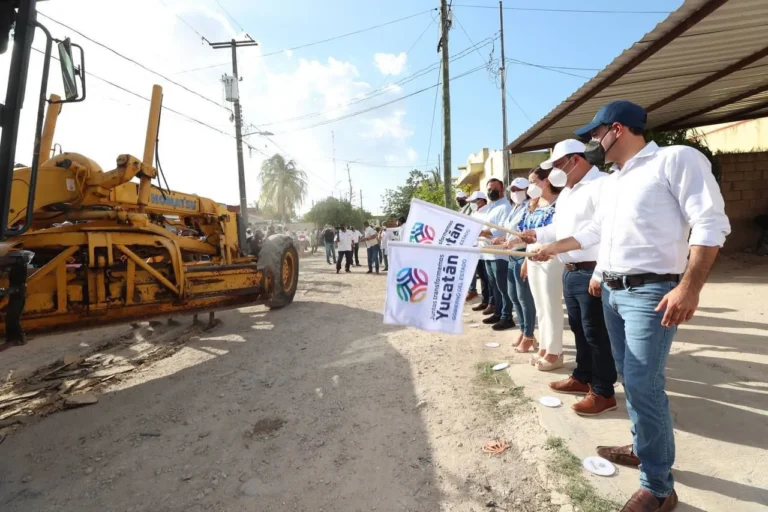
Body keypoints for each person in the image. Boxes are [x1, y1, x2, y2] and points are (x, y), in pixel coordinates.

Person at [535, 100, 730, 511]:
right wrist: (552, 248)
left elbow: (710, 222)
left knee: (643, 385)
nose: (592, 142)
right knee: (630, 379)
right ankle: (644, 446)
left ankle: (658, 488)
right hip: (611, 292)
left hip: (650, 294)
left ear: (617, 129)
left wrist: (690, 288)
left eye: (594, 134)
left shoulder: (675, 160)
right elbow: (594, 230)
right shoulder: (617, 179)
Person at [522, 139, 617, 416]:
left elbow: (602, 232)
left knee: (596, 334)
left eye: (558, 165)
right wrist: (537, 235)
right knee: (578, 330)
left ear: (576, 160)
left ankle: (603, 391)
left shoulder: (602, 185)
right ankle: (582, 376)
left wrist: (599, 272)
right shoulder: (567, 192)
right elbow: (559, 228)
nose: (554, 173)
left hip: (592, 269)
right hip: (571, 271)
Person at [517, 167, 563, 369]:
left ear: (546, 181)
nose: (530, 186)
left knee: (552, 305)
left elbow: (560, 232)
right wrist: (526, 260)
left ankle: (555, 352)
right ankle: (544, 347)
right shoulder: (533, 204)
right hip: (533, 257)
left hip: (552, 257)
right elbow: (529, 237)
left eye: (534, 181)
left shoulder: (560, 202)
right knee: (540, 305)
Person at [494, 178, 537, 348]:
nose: (515, 192)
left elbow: (528, 235)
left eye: (518, 189)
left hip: (522, 254)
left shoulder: (530, 208)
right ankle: (523, 328)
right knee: (513, 296)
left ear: (527, 190)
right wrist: (502, 239)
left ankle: (529, 334)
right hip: (511, 256)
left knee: (524, 297)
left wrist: (514, 242)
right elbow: (510, 232)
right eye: (512, 189)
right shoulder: (514, 209)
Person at [478, 179, 514, 330]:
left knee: (503, 287)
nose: (490, 191)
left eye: (493, 188)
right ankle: (498, 312)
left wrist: (480, 232)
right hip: (489, 253)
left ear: (502, 189)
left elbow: (499, 231)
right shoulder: (492, 207)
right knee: (495, 286)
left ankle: (507, 316)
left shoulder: (505, 207)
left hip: (500, 254)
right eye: (488, 189)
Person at [467, 192, 490, 307]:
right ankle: (485, 301)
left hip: (487, 250)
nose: (471, 204)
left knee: (488, 279)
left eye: (472, 202)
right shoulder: (475, 213)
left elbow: (488, 231)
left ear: (480, 201)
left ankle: (491, 302)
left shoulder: (487, 212)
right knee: (482, 277)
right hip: (477, 249)